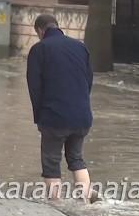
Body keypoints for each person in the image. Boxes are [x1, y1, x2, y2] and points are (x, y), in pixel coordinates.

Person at [26, 14, 96, 203]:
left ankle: (55, 205)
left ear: (40, 31)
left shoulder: (39, 49)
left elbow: (35, 88)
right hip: (81, 116)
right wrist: (80, 105)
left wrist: (39, 117)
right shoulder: (80, 47)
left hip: (54, 116)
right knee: (76, 158)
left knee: (51, 161)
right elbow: (89, 81)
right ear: (57, 26)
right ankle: (87, 199)